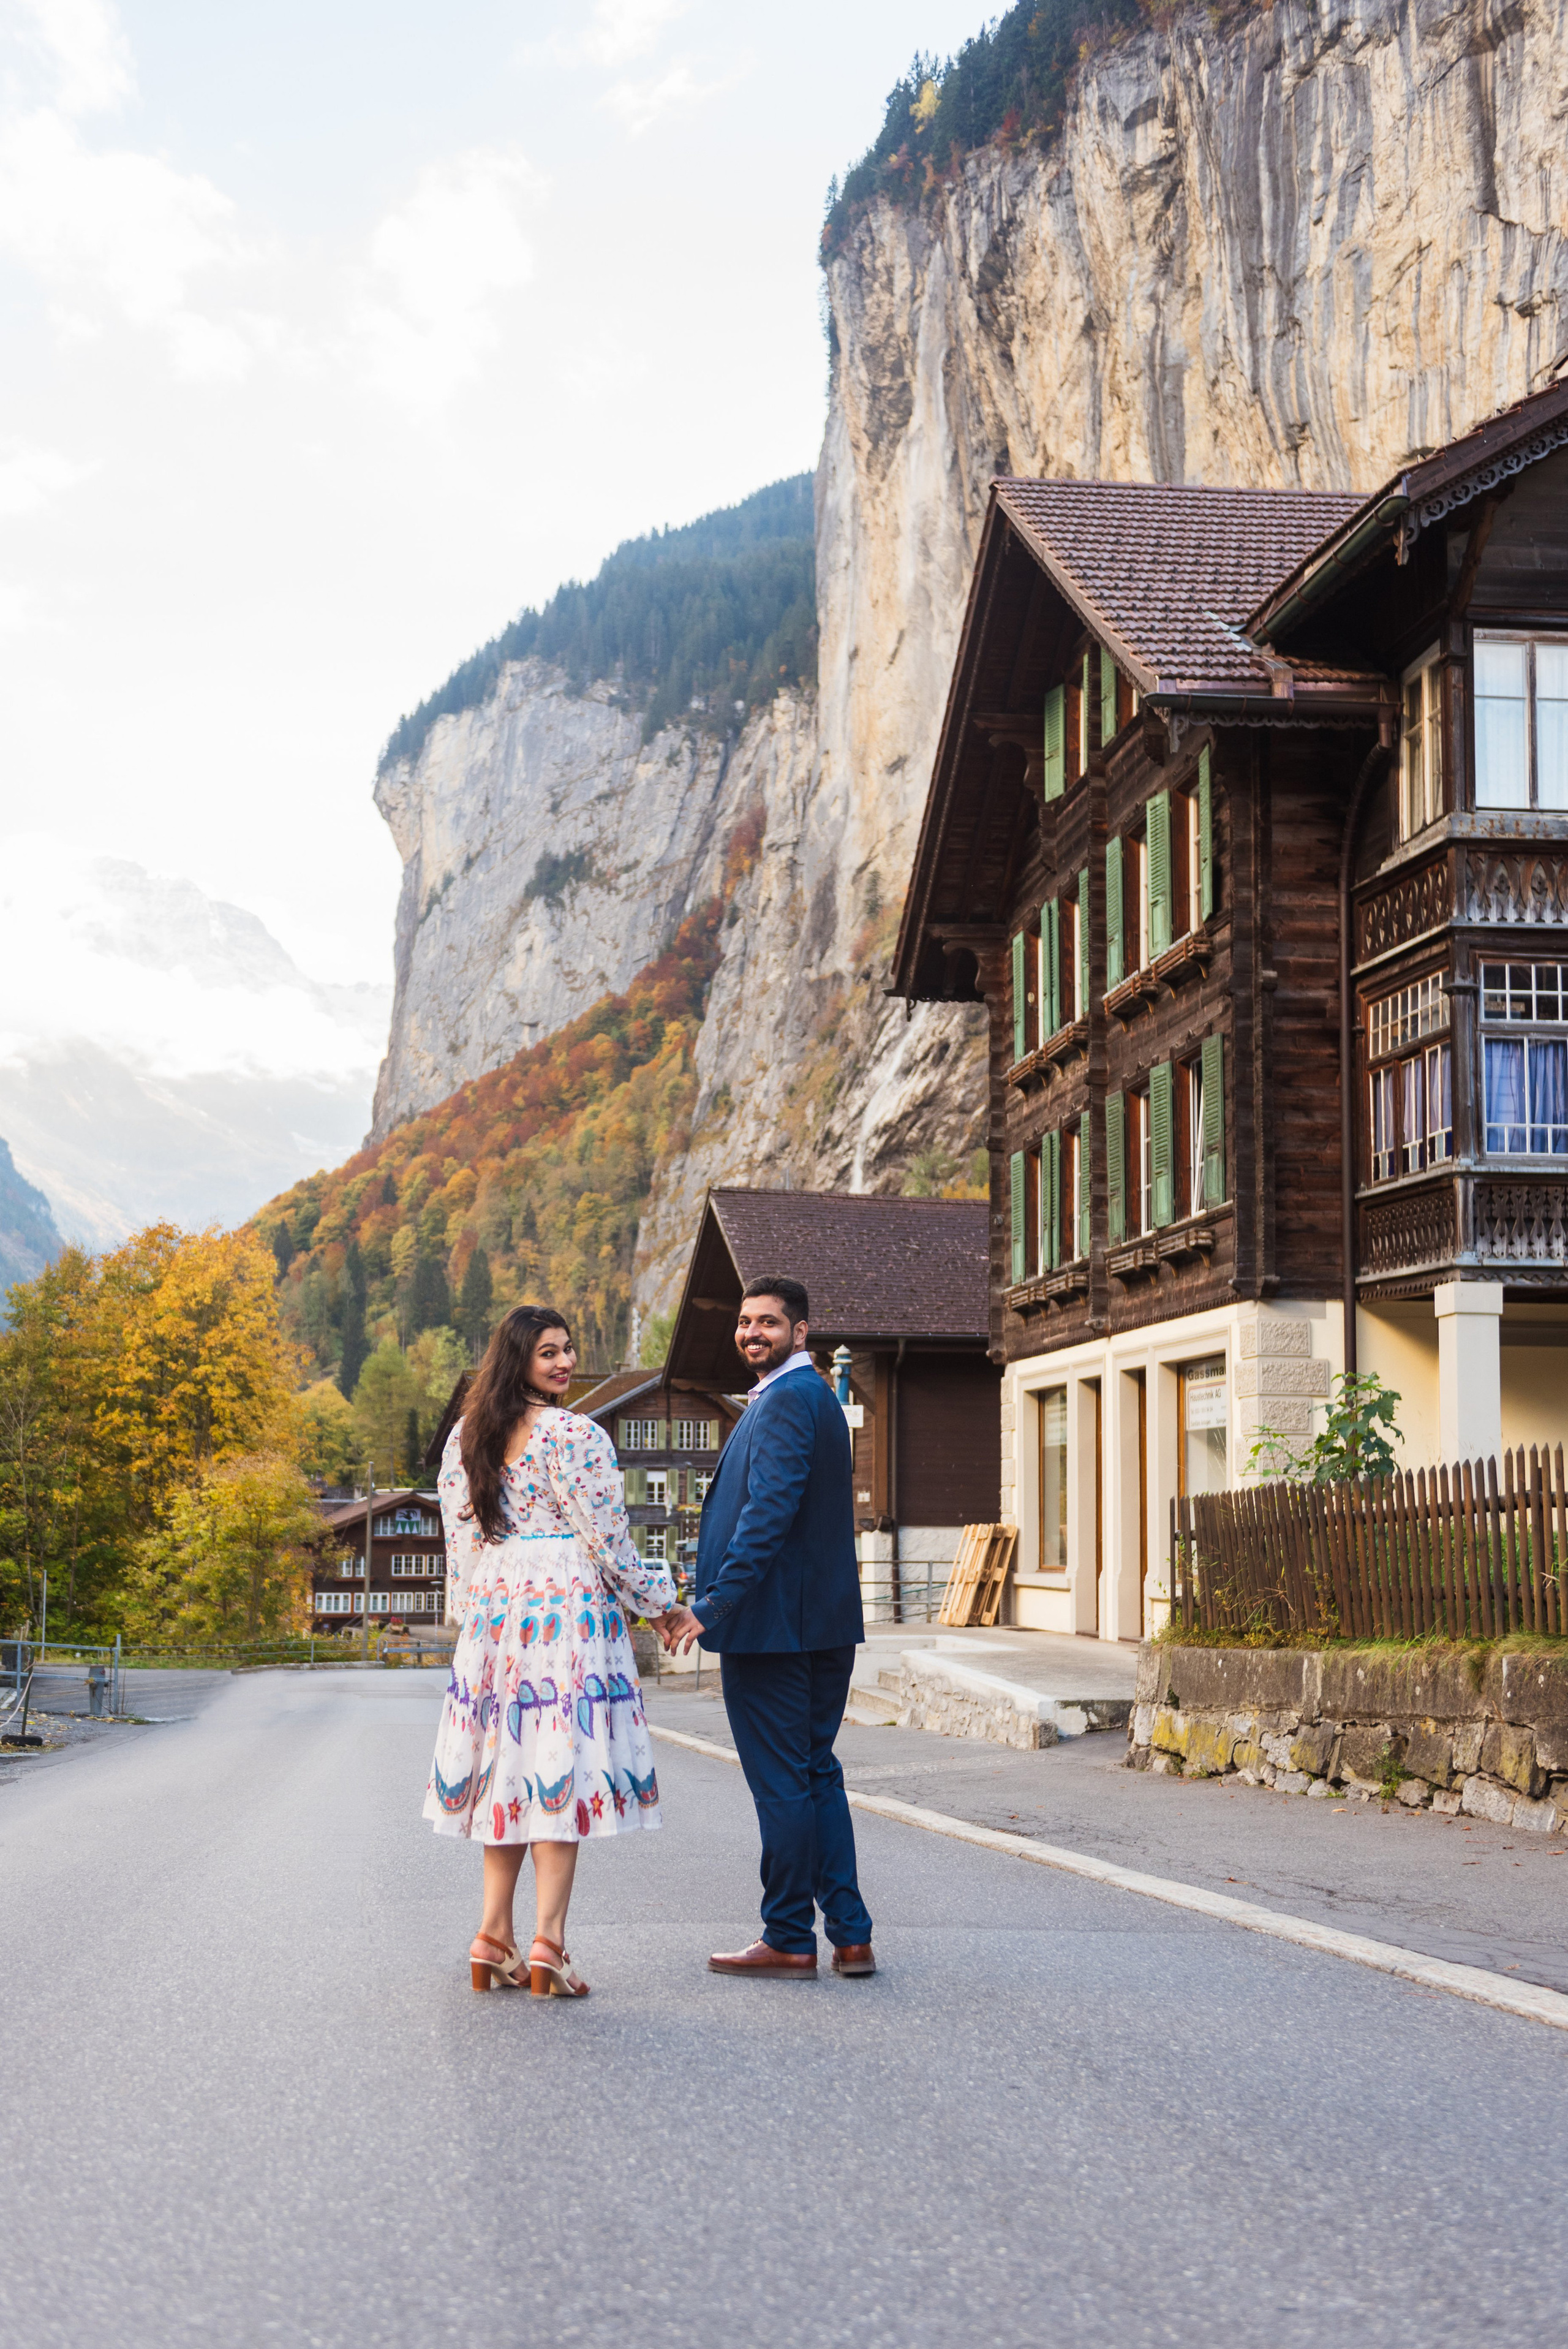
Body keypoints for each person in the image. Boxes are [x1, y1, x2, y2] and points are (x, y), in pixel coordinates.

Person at [423, 1302, 682, 1995]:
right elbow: (608, 1542)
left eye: (567, 1349)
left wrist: (471, 1627)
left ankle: (491, 1935)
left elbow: (464, 1547)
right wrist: (661, 1608)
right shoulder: (576, 1435)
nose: (565, 1361)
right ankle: (548, 1946)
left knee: (507, 1764)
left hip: (499, 1608)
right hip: (564, 1603)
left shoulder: (465, 1440)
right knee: (554, 1762)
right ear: (520, 1361)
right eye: (549, 1353)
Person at [661, 1275, 875, 1978]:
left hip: (775, 1631)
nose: (752, 1333)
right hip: (816, 1626)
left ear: (801, 1332)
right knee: (816, 1775)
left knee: (784, 1782)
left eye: (769, 1324)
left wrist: (711, 1606)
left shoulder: (786, 1400)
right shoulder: (813, 1397)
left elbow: (767, 1516)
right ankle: (849, 1933)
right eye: (746, 1322)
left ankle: (787, 1935)